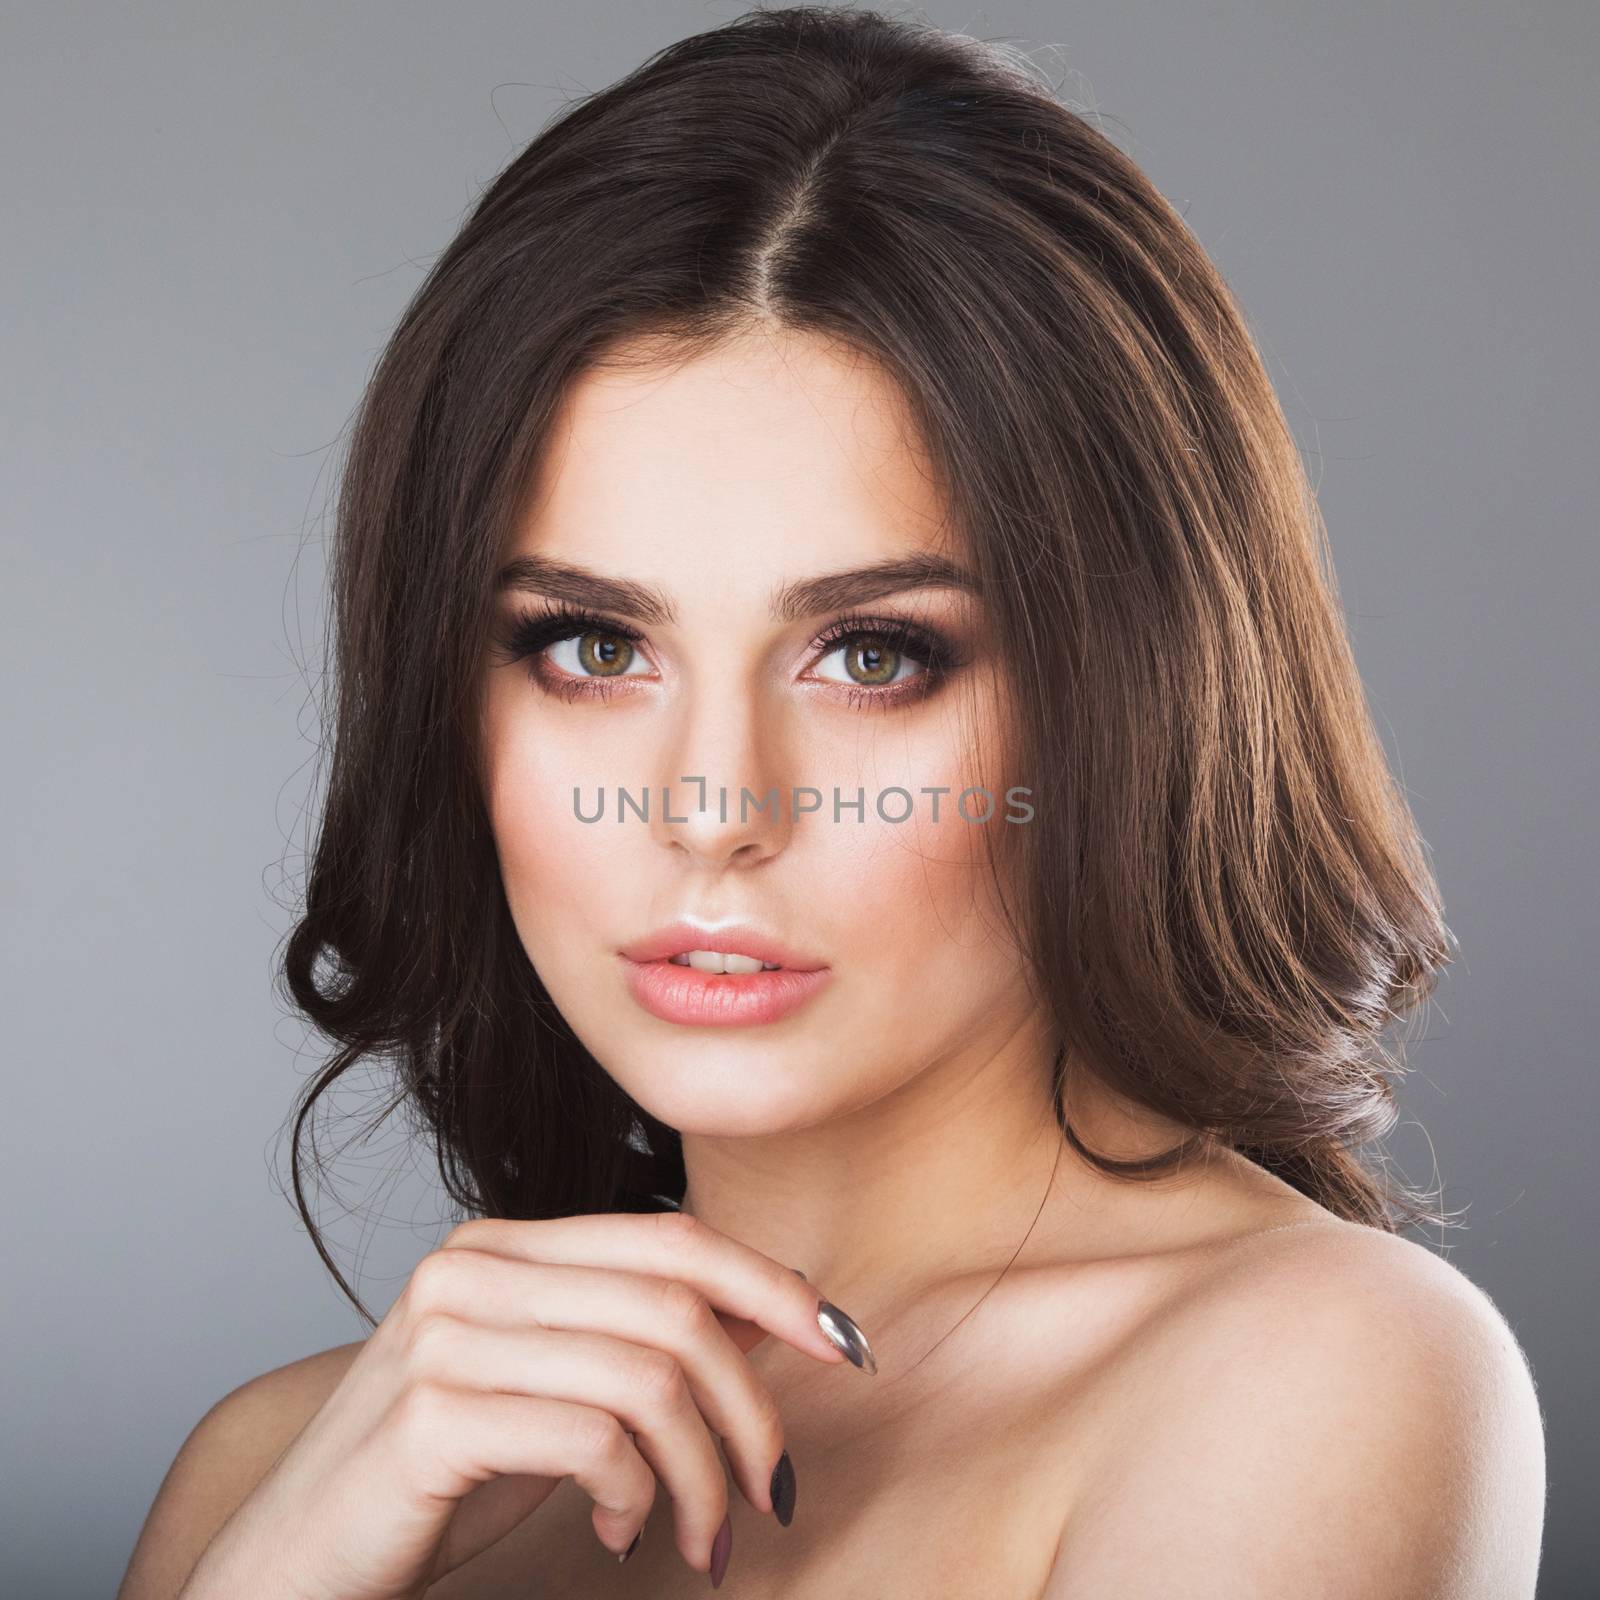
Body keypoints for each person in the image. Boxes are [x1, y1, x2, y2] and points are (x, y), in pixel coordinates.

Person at [117, 7, 1546, 1597]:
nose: (710, 807)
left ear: (1130, 703)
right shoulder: (293, 1471)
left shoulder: (1314, 1380)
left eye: (871, 656)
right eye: (594, 647)